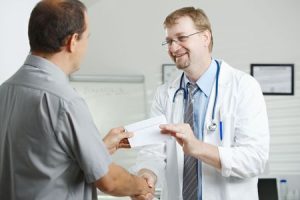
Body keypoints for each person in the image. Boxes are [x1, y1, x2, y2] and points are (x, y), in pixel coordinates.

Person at [0, 0, 154, 199]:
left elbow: (43, 157)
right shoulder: (66, 101)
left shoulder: (5, 91)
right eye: (87, 37)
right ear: (72, 41)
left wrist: (99, 149)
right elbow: (109, 181)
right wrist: (141, 186)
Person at [133, 7, 270, 200]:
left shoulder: (243, 87)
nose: (173, 48)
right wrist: (147, 175)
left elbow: (255, 160)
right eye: (169, 41)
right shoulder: (165, 94)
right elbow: (153, 151)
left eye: (181, 38)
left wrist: (198, 148)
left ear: (205, 38)